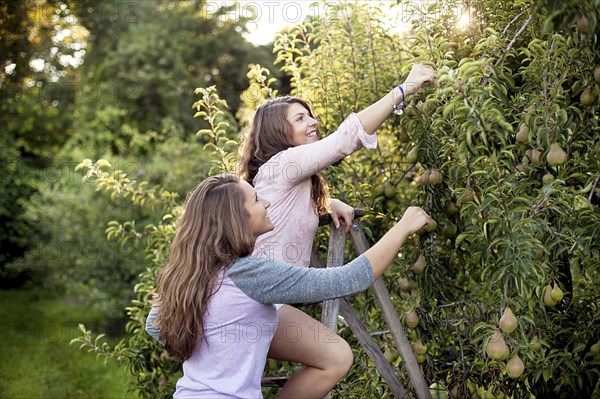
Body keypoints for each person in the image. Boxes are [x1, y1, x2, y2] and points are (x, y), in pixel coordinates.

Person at [235, 63, 436, 397]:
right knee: (334, 356)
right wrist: (404, 88)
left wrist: (326, 204)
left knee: (334, 355)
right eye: (300, 119)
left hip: (265, 302)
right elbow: (345, 140)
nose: (313, 122)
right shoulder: (283, 164)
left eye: (309, 115)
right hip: (249, 301)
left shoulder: (283, 176)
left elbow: (286, 209)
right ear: (276, 133)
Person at [146, 173, 431, 398]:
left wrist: (229, 340)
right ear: (237, 220)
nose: (267, 203)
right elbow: (348, 279)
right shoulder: (249, 275)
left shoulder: (191, 275)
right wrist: (403, 227)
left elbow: (155, 326)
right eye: (257, 200)